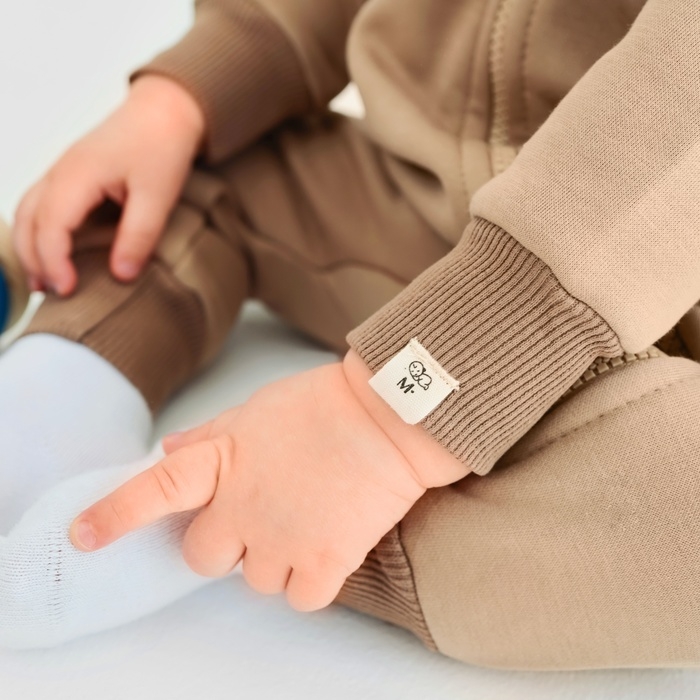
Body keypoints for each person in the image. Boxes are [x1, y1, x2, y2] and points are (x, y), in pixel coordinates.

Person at [1, 0, 700, 669]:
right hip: (418, 187)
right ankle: (67, 372)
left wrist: (380, 422)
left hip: (651, 249)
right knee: (181, 175)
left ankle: (262, 519)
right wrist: (181, 99)